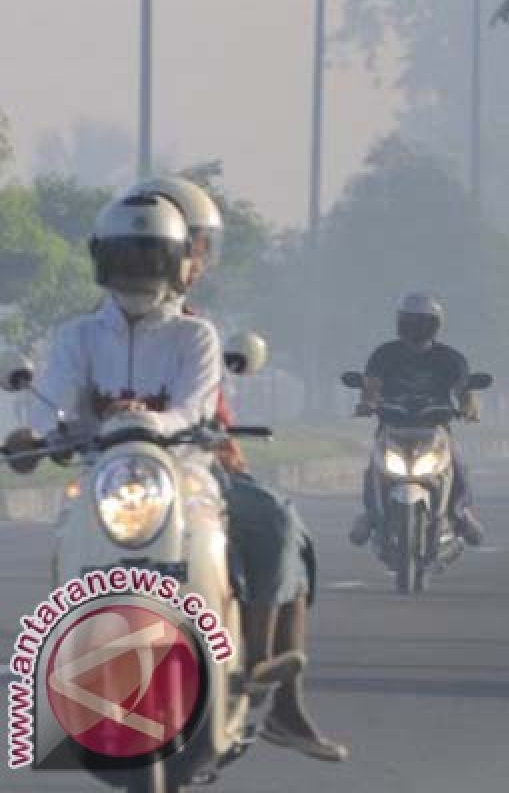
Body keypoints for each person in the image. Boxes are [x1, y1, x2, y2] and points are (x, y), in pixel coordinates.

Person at [124, 177, 346, 762]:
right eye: (187, 245)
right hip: (121, 476)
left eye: (192, 247)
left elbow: (204, 412)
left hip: (196, 473)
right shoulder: (89, 330)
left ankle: (266, 677)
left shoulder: (196, 329)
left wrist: (219, 445)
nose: (191, 260)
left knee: (279, 524)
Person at [349, 293, 485, 547]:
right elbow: (371, 385)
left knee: (457, 466)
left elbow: (465, 391)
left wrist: (469, 409)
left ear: (434, 325)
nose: (415, 328)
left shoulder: (450, 359)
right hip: (392, 426)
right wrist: (367, 403)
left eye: (421, 322)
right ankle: (371, 514)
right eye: (410, 321)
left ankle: (460, 513)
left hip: (434, 428)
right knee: (374, 469)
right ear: (400, 323)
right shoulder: (384, 354)